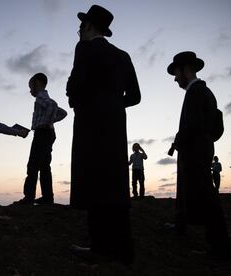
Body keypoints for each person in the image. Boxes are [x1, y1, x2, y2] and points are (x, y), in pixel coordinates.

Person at [67, 5, 141, 264]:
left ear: (88, 26)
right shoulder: (123, 55)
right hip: (116, 128)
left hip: (90, 126)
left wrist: (82, 101)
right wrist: (112, 105)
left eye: (81, 26)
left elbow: (74, 86)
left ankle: (99, 247)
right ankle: (124, 249)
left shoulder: (84, 48)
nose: (78, 31)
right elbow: (135, 96)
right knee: (115, 184)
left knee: (93, 181)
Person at [167, 51, 231, 261]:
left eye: (177, 73)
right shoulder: (203, 92)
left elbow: (193, 124)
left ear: (186, 70)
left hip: (195, 151)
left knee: (208, 198)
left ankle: (220, 251)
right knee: (202, 195)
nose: (175, 78)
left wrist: (180, 139)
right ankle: (215, 246)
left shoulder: (196, 93)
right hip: (199, 149)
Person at [17, 73, 67, 205]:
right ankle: (47, 197)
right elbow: (63, 113)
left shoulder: (40, 96)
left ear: (37, 83)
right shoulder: (45, 97)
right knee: (45, 166)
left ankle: (28, 198)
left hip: (42, 133)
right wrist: (50, 121)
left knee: (33, 165)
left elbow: (52, 105)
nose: (30, 90)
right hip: (48, 133)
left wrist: (46, 122)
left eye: (30, 86)